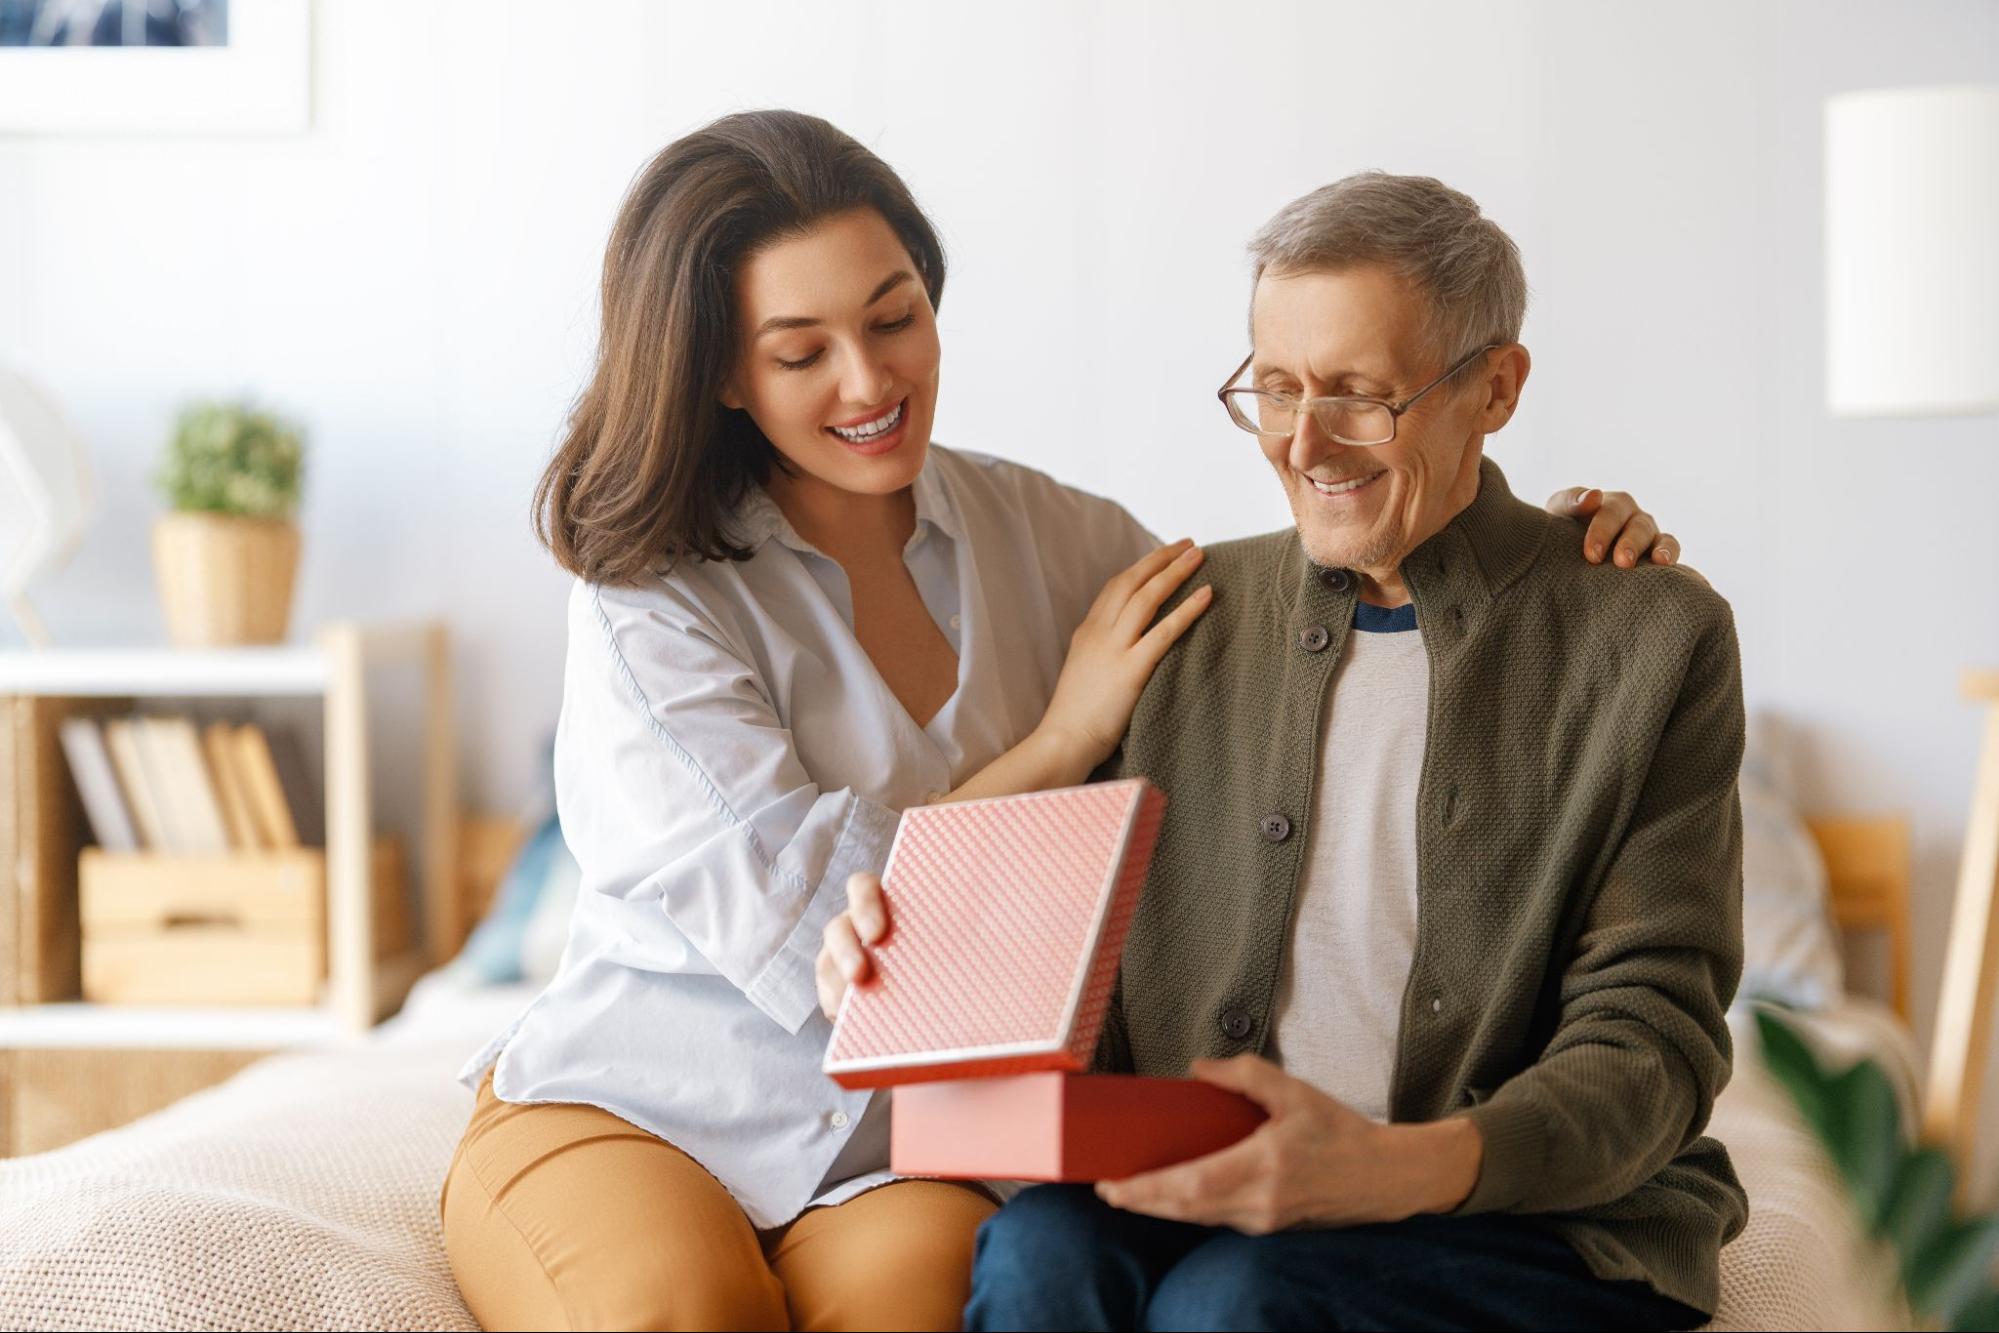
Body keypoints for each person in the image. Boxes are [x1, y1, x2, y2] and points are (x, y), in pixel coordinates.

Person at [442, 111, 1683, 1333]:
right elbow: (831, 937)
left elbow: (1332, 593)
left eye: (894, 318)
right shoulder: (646, 601)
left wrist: (1544, 548)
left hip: (900, 1150)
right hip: (650, 1101)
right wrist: (1059, 742)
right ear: (720, 366)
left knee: (934, 1301)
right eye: (801, 350)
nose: (870, 380)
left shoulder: (1056, 536)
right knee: (678, 1312)